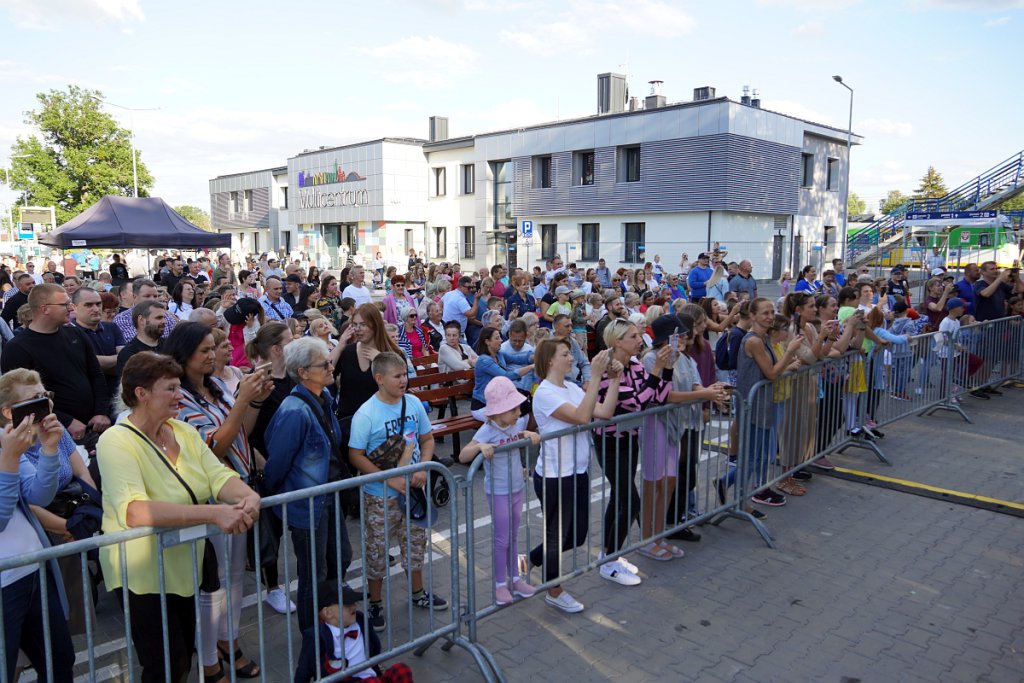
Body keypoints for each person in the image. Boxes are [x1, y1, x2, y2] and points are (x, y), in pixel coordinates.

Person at [97, 352, 259, 683]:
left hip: (185, 564)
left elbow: (217, 476)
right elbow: (135, 510)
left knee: (182, 659)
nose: (179, 395)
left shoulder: (183, 431)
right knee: (165, 666)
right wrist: (215, 512)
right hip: (142, 574)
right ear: (141, 394)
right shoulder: (115, 440)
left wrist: (248, 497)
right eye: (170, 388)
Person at [163, 322, 271, 681]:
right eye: (205, 350)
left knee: (235, 576)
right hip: (210, 497)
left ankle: (229, 638)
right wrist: (242, 400)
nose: (213, 356)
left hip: (236, 487)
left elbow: (242, 431)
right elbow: (213, 448)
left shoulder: (215, 388)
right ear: (182, 354)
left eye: (215, 348)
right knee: (214, 582)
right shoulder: (178, 400)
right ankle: (210, 656)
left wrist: (252, 400)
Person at [348, 352, 449, 632]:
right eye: (397, 376)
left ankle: (418, 593)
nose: (404, 380)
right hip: (379, 496)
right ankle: (375, 602)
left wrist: (423, 468)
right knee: (377, 549)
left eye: (405, 374)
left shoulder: (414, 403)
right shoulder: (366, 414)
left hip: (414, 491)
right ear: (379, 379)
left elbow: (427, 439)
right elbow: (355, 455)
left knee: (415, 543)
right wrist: (389, 480)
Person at [525, 340, 619, 612]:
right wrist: (598, 375)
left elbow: (603, 412)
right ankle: (553, 589)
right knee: (556, 535)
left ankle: (528, 560)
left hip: (577, 470)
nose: (571, 358)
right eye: (565, 354)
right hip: (555, 474)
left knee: (577, 535)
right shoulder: (544, 393)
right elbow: (581, 417)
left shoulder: (572, 387)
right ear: (550, 361)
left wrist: (614, 380)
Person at [264, 337, 346, 633]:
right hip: (308, 503)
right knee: (314, 571)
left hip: (328, 496)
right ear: (302, 372)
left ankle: (333, 618)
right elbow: (277, 462)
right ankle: (313, 633)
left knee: (340, 557)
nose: (330, 367)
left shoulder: (323, 398)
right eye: (323, 364)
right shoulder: (294, 410)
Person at [0, 379, 76, 683]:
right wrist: (9, 459)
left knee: (60, 661)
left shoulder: (4, 439)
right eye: (35, 399)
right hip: (5, 584)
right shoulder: (7, 448)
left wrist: (48, 449)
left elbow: (37, 495)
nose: (44, 404)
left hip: (34, 572)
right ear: (8, 410)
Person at [639, 316, 728, 557]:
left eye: (684, 334)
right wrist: (703, 394)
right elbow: (665, 396)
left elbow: (695, 385)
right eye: (678, 335)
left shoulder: (685, 358)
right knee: (652, 483)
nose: (684, 338)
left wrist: (710, 393)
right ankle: (646, 539)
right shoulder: (650, 359)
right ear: (666, 338)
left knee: (669, 481)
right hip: (656, 426)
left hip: (676, 427)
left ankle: (659, 535)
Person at [457, 376, 539, 605]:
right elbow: (463, 455)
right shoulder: (487, 429)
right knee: (502, 538)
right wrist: (479, 446)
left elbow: (518, 436)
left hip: (516, 488)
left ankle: (515, 578)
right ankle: (500, 584)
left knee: (513, 535)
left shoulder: (514, 425)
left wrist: (527, 434)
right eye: (512, 409)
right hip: (499, 491)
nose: (517, 413)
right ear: (498, 411)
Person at [0, 284, 111, 443]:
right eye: (65, 304)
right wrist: (66, 421)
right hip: (52, 434)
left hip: (95, 425)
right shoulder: (17, 348)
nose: (71, 308)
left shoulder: (75, 334)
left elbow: (96, 374)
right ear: (45, 309)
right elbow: (21, 399)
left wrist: (101, 412)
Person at [243, 322, 297, 615]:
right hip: (266, 467)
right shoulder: (256, 381)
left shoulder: (294, 376)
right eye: (291, 340)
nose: (296, 342)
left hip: (294, 466)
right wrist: (258, 458)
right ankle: (272, 588)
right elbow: (244, 429)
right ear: (276, 348)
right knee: (270, 533)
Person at [294, 582, 413, 683]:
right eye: (347, 604)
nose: (354, 606)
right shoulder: (317, 636)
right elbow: (303, 671)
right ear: (328, 613)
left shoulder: (361, 621)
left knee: (401, 670)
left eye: (354, 601)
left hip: (370, 677)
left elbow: (374, 649)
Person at [471, 327, 533, 420]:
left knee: (525, 410)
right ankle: (513, 434)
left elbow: (518, 359)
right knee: (513, 416)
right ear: (487, 341)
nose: (501, 340)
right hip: (482, 405)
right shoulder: (484, 360)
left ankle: (518, 434)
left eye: (500, 337)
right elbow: (506, 376)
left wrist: (533, 357)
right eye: (497, 338)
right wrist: (531, 367)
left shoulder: (499, 354)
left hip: (497, 402)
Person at [71, 287, 120, 400]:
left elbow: (125, 359)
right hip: (87, 399)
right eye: (88, 305)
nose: (96, 309)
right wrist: (116, 360)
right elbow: (87, 363)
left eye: (98, 304)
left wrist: (97, 363)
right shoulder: (68, 333)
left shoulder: (112, 327)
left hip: (116, 395)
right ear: (74, 307)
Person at [112, 279, 179, 344]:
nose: (152, 300)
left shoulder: (166, 316)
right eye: (147, 296)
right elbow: (136, 345)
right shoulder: (122, 319)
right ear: (134, 296)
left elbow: (177, 340)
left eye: (155, 296)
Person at [116, 300, 167, 380]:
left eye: (164, 317)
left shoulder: (170, 346)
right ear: (141, 320)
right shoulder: (129, 354)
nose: (164, 321)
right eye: (159, 318)